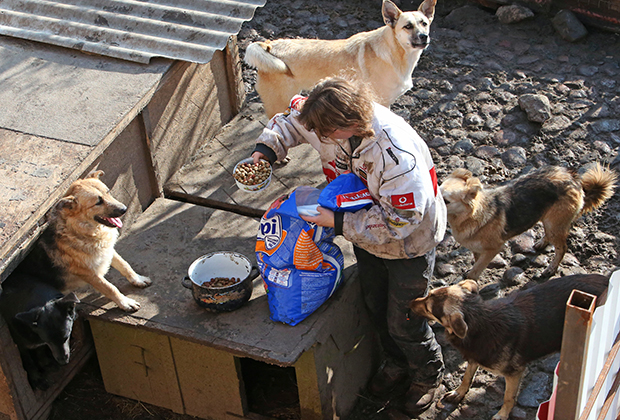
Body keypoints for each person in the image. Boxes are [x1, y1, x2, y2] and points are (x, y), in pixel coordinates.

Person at [251, 77, 446, 416]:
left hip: (409, 245)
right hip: (367, 238)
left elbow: (400, 221)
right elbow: (291, 121)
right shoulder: (326, 117)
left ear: (350, 125)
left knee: (405, 319)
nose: (319, 139)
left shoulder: (396, 156)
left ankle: (428, 374)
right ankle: (397, 362)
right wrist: (265, 152)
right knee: (373, 302)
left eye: (325, 135)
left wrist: (338, 224)